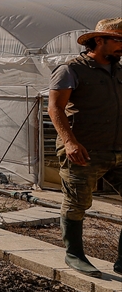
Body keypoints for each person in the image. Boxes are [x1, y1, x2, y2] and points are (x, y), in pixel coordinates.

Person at [47, 17, 122, 278]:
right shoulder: (71, 69)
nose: (121, 47)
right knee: (78, 201)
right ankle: (74, 254)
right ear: (98, 40)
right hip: (83, 149)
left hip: (118, 149)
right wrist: (69, 142)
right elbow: (55, 108)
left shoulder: (119, 71)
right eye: (118, 40)